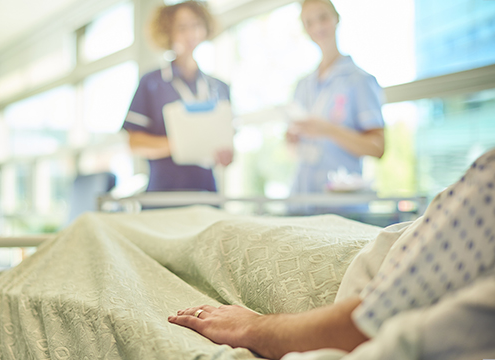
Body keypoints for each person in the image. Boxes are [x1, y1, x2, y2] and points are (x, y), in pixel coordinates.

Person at [169, 148, 495, 360]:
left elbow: (362, 324)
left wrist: (251, 327)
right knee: (222, 229)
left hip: (338, 261)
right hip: (345, 236)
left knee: (222, 233)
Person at [122, 1, 233, 192]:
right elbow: (134, 143)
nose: (190, 33)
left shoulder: (219, 87)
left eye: (196, 25)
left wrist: (225, 156)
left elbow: (228, 147)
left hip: (207, 193)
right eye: (182, 27)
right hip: (164, 192)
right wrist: (180, 144)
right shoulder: (152, 82)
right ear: (168, 32)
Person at [286, 0, 385, 195]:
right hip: (301, 198)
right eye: (309, 22)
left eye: (323, 18)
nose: (318, 26)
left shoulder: (359, 80)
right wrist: (291, 137)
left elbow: (378, 148)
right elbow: (292, 145)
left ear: (336, 18)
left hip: (340, 203)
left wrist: (329, 130)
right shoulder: (303, 86)